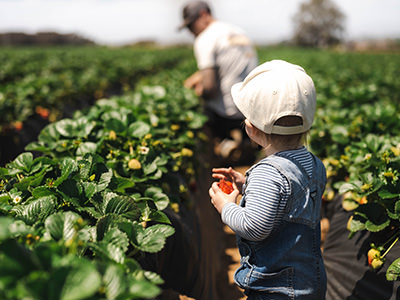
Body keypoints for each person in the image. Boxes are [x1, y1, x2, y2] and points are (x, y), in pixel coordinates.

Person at [209, 60, 327, 299]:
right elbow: (290, 199)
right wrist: (248, 186)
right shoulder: (315, 164)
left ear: (251, 129)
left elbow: (254, 228)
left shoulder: (268, 173)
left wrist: (226, 207)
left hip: (276, 288)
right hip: (309, 282)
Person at [178, 1, 258, 162]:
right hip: (251, 108)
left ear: (203, 15)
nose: (190, 32)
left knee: (197, 107)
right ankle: (246, 142)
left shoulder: (205, 38)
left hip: (226, 113)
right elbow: (229, 67)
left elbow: (210, 88)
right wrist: (197, 76)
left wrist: (196, 92)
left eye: (191, 25)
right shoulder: (237, 32)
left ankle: (221, 146)